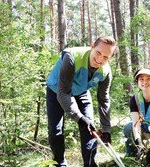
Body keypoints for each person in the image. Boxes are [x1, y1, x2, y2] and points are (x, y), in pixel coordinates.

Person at [46, 36, 118, 167]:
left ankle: (90, 163)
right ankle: (59, 162)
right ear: (92, 46)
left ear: (111, 58)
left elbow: (104, 99)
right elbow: (64, 93)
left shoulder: (106, 72)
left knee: (90, 127)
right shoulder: (71, 58)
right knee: (55, 130)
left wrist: (106, 129)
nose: (100, 59)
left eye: (106, 57)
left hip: (81, 91)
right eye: (98, 53)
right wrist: (79, 118)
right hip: (57, 89)